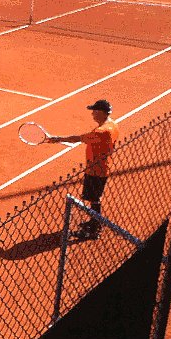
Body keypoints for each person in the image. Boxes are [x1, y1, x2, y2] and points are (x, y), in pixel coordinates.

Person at [47, 99, 120, 239]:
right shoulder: (113, 125)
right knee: (95, 198)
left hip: (95, 170)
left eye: (94, 111)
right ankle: (94, 222)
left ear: (101, 112)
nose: (92, 114)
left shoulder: (101, 131)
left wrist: (58, 139)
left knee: (94, 199)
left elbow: (78, 138)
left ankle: (94, 228)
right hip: (102, 167)